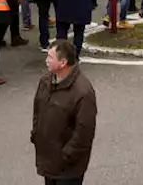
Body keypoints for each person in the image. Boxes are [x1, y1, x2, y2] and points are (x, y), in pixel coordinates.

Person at [32, 40, 97, 185]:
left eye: (50, 57)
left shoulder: (83, 92)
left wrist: (67, 155)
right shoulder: (45, 81)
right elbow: (37, 111)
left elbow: (84, 132)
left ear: (63, 63)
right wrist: (36, 134)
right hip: (49, 160)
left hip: (68, 168)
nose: (46, 60)